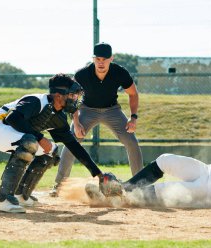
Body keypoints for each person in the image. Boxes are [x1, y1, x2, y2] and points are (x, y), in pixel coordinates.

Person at [0, 73, 115, 213]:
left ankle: (21, 194)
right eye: (72, 95)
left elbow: (74, 146)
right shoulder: (36, 101)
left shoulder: (59, 117)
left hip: (13, 134)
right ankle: (3, 199)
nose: (75, 99)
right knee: (30, 142)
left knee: (51, 152)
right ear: (58, 95)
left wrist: (99, 175)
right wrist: (39, 137)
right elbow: (13, 119)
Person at [50, 42, 143, 196]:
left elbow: (133, 94)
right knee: (71, 142)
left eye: (104, 59)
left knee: (132, 142)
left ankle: (140, 186)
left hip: (112, 110)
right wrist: (77, 122)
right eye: (98, 59)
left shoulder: (120, 72)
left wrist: (133, 118)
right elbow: (73, 99)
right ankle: (58, 186)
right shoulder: (82, 74)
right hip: (87, 110)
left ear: (111, 59)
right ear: (93, 59)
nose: (101, 62)